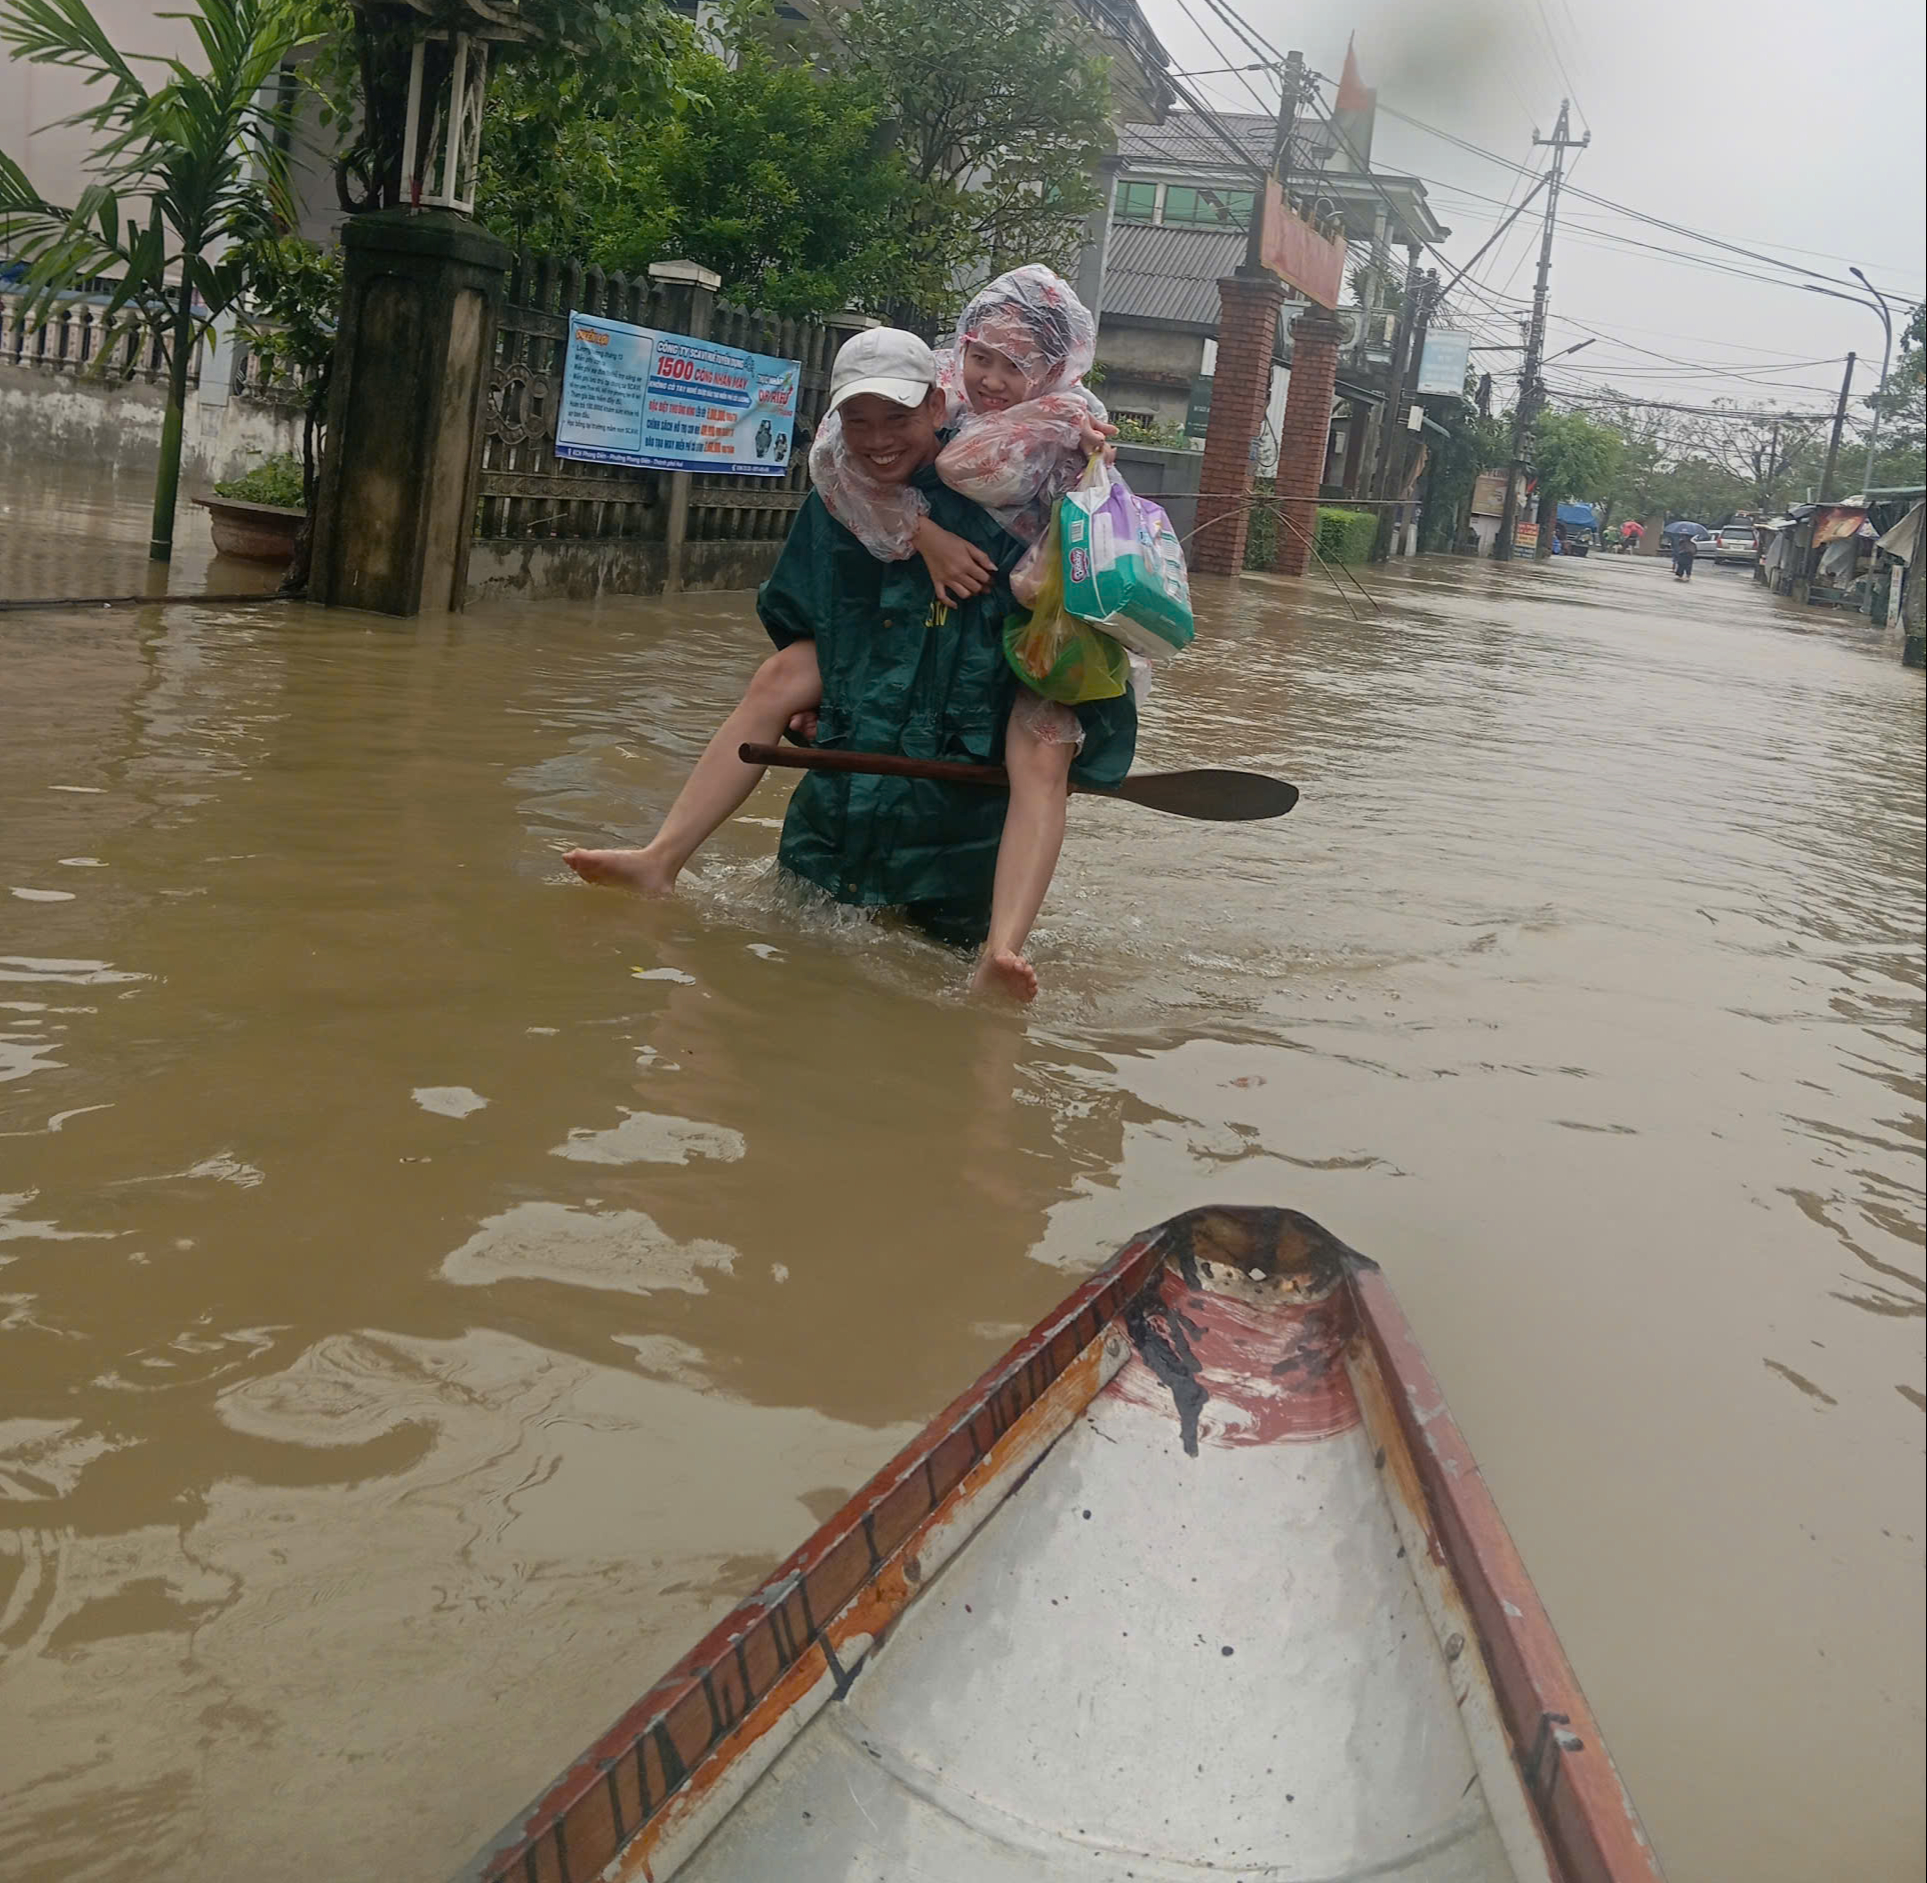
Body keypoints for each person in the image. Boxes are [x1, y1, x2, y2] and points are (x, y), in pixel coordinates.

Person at [564, 327, 1137, 1002]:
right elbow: (795, 611)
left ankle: (999, 950)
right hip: (838, 820)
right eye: (857, 421)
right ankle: (658, 858)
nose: (876, 439)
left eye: (896, 417)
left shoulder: (1010, 487)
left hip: (957, 817)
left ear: (934, 404)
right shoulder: (837, 499)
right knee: (792, 986)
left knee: (1042, 747)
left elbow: (1087, 622)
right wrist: (819, 698)